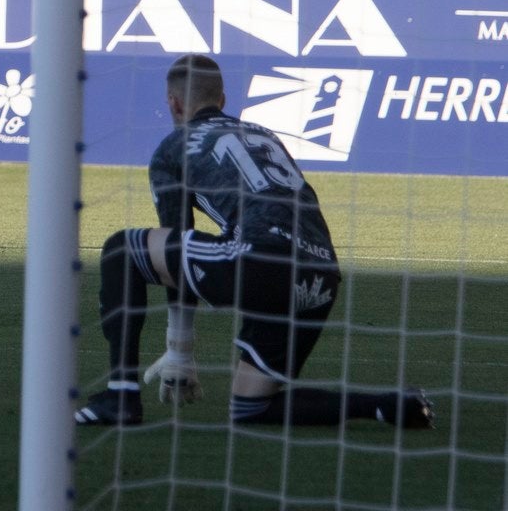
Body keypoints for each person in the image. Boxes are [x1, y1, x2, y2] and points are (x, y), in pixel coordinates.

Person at [76, 54, 434, 429]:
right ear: (223, 100)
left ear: (174, 103)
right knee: (251, 409)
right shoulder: (265, 134)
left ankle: (120, 397)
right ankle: (386, 406)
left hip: (260, 259)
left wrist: (179, 350)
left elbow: (175, 243)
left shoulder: (173, 147)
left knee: (122, 249)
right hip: (320, 275)